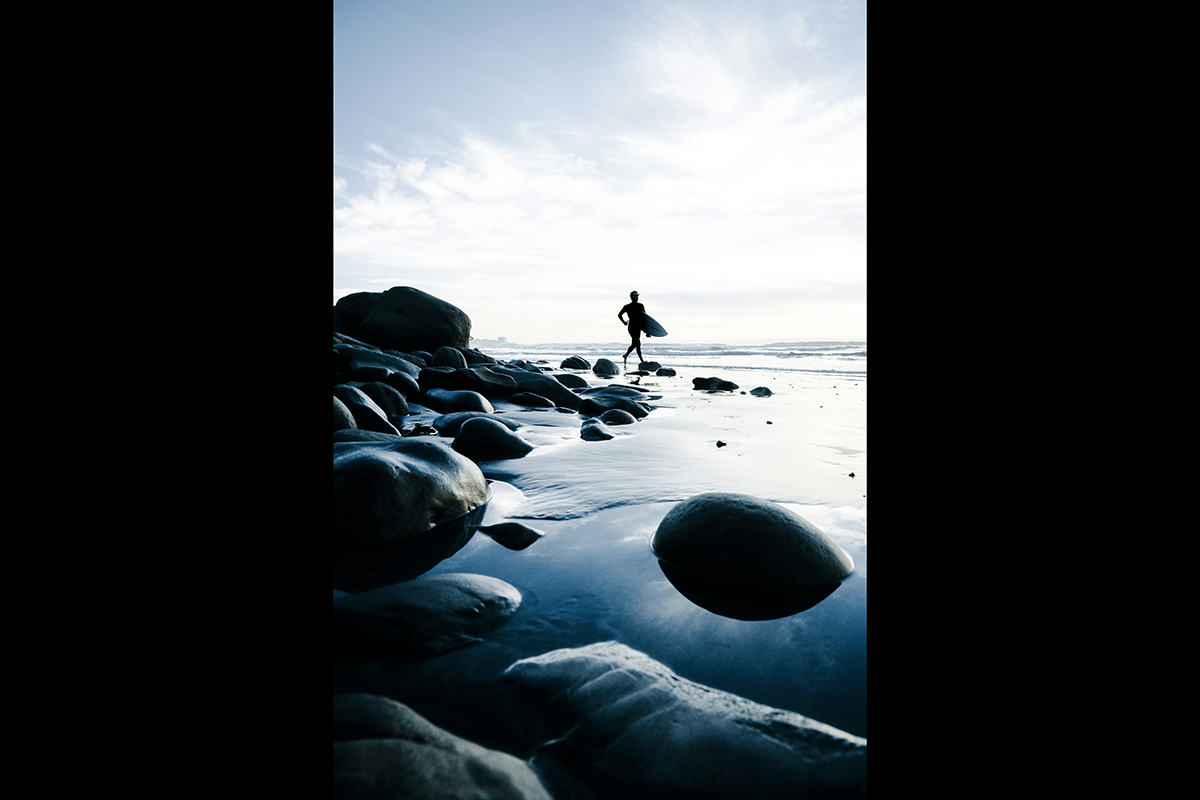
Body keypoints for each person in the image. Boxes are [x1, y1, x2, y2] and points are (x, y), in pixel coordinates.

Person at [618, 291, 646, 366]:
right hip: (632, 327)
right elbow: (619, 314)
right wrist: (624, 322)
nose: (636, 297)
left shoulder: (641, 306)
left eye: (637, 296)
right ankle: (642, 361)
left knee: (634, 344)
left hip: (638, 327)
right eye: (634, 296)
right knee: (637, 343)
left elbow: (645, 318)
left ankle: (625, 355)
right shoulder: (627, 306)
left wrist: (647, 331)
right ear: (631, 297)